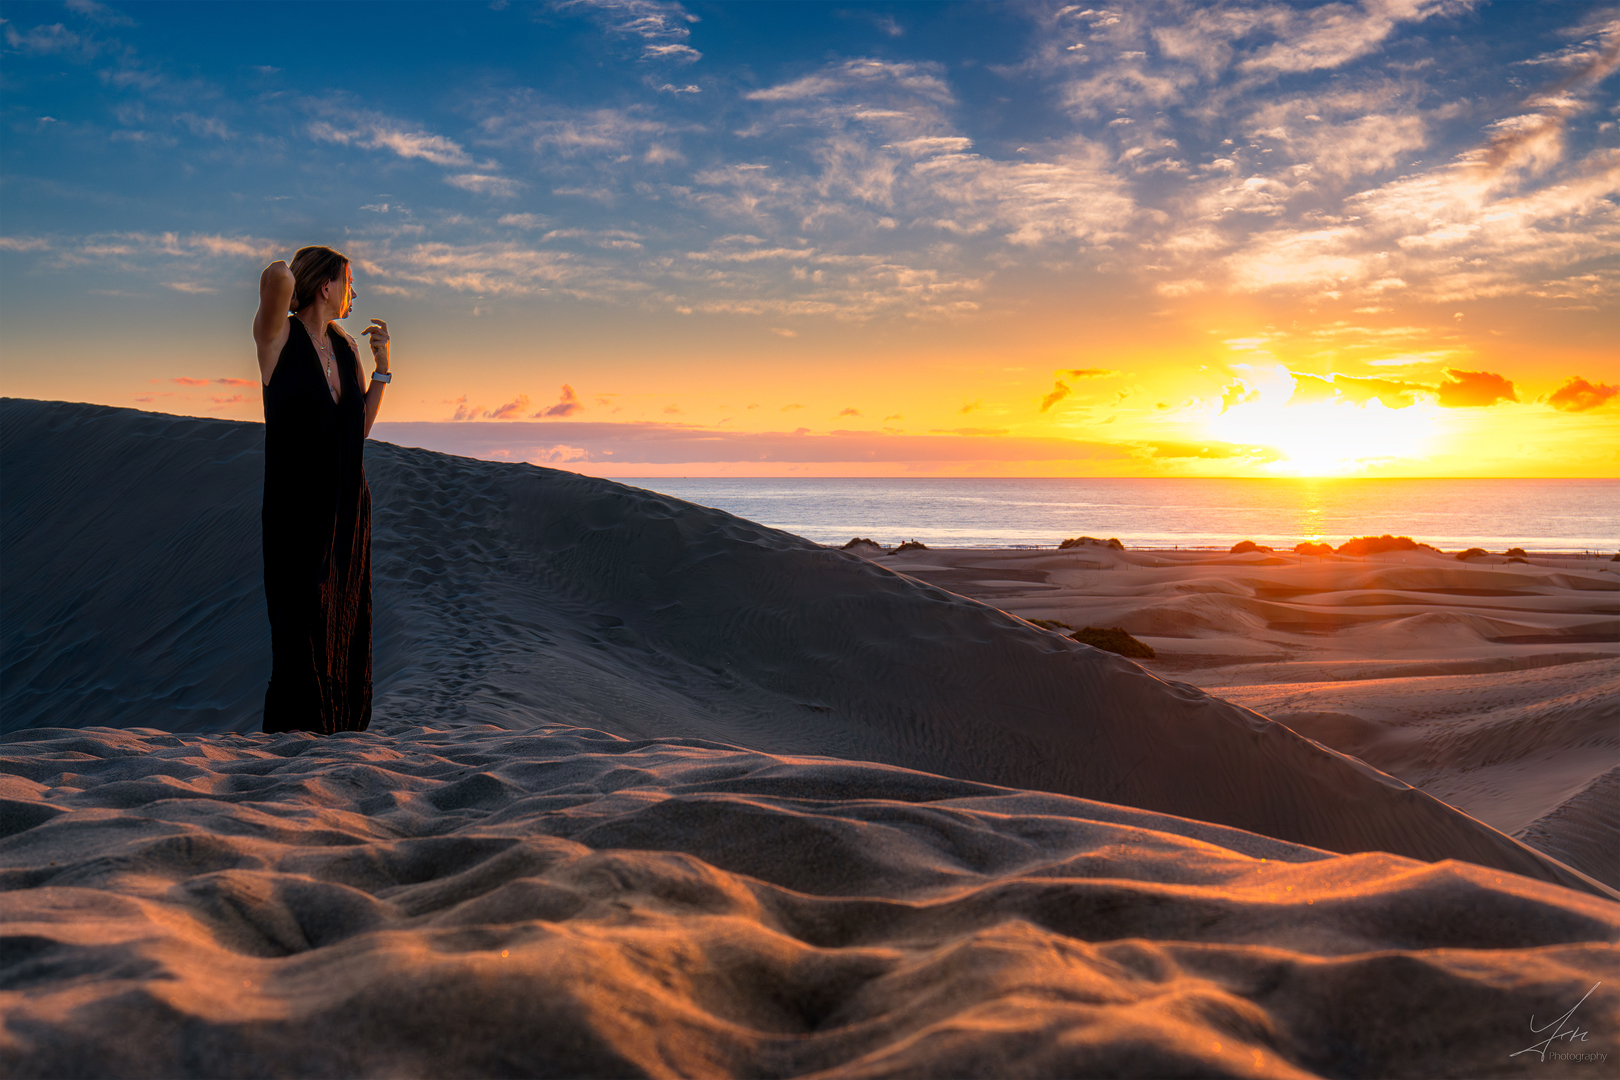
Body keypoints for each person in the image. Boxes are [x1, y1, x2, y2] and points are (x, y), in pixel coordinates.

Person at [251, 246, 391, 733]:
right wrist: (301, 273)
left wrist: (382, 370)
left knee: (342, 619)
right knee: (301, 623)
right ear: (325, 287)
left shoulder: (347, 349)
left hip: (348, 509)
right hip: (296, 511)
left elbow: (361, 427)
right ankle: (293, 740)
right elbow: (275, 276)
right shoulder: (277, 339)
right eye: (348, 280)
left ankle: (338, 739)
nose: (355, 291)